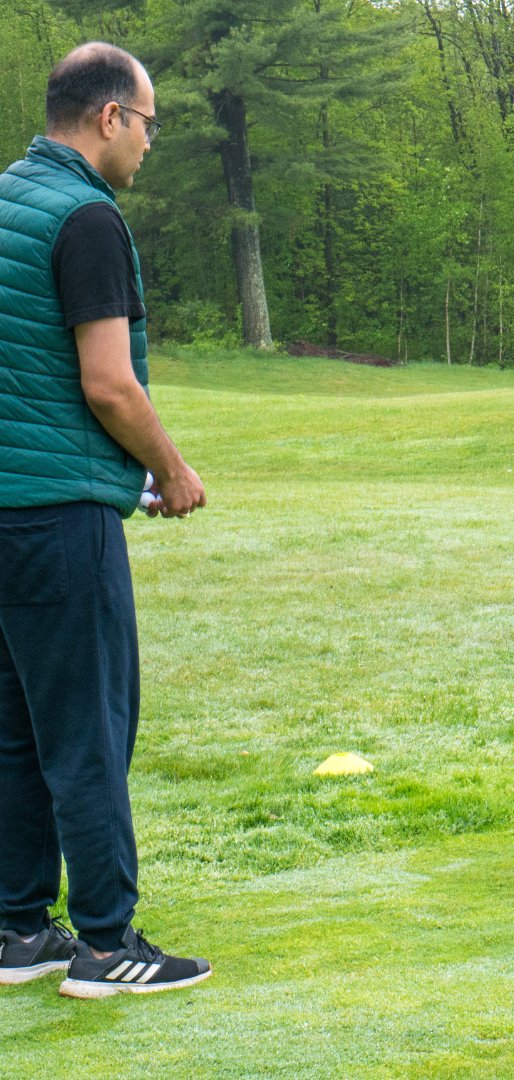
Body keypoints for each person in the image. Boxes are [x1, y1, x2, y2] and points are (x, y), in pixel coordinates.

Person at [0, 43, 212, 997]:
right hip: (57, 516)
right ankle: (105, 943)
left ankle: (15, 930)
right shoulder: (87, 217)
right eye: (149, 124)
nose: (150, 144)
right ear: (110, 118)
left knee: (13, 728)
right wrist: (169, 471)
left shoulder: (5, 204)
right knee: (89, 728)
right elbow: (109, 385)